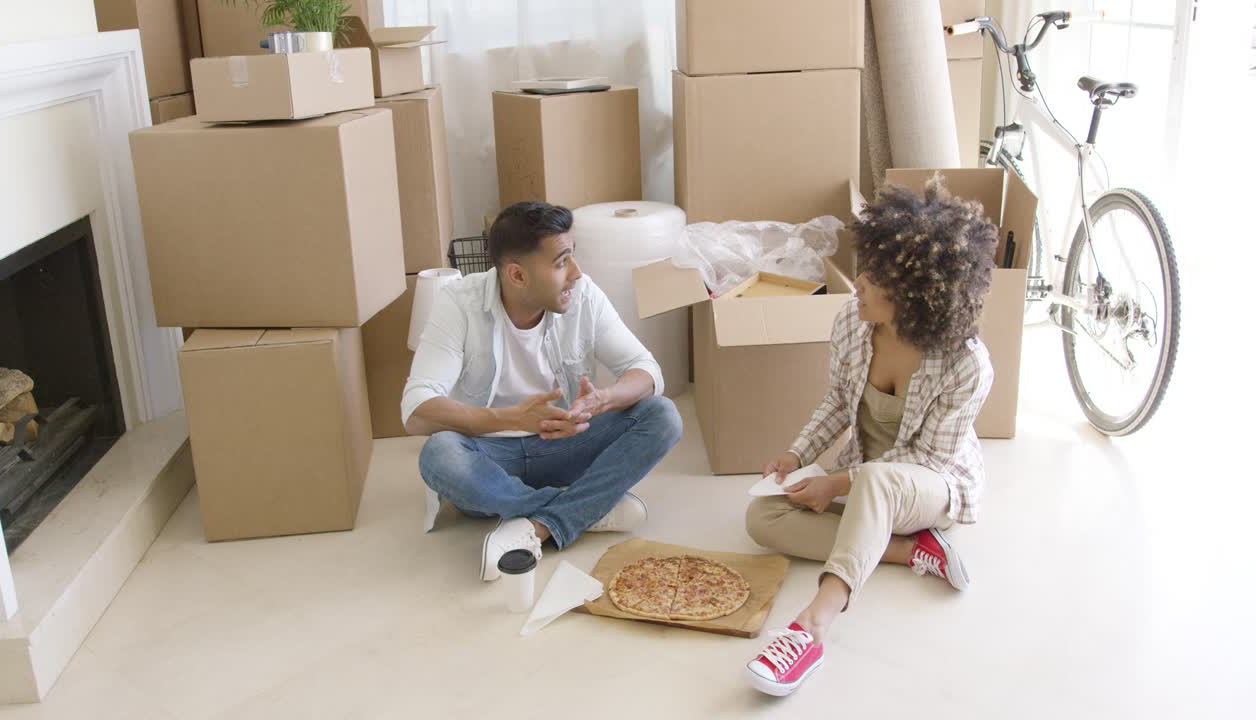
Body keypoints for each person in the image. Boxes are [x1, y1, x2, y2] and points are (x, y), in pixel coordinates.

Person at [742, 179, 998, 696]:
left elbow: (928, 456)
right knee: (762, 517)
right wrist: (797, 455)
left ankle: (813, 625)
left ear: (916, 292)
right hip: (863, 479)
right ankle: (909, 551)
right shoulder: (852, 323)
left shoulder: (968, 365)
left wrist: (836, 484)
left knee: (879, 481)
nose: (857, 281)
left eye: (875, 276)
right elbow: (838, 401)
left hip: (929, 485)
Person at [403, 201, 683, 581]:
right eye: (561, 262)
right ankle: (585, 508)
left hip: (565, 444)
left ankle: (534, 523)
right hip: (490, 454)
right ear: (517, 275)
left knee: (661, 414)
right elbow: (417, 409)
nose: (576, 273)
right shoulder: (458, 303)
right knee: (440, 454)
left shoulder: (582, 295)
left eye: (573, 257)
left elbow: (646, 371)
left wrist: (604, 399)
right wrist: (509, 418)